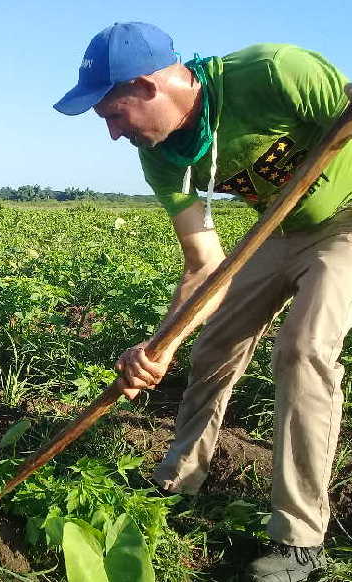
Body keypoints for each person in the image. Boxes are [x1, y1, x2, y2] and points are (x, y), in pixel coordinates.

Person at [53, 21, 352, 582]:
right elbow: (204, 262)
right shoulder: (162, 154)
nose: (113, 134)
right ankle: (180, 476)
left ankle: (299, 538)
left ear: (146, 86)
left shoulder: (273, 73)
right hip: (278, 229)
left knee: (303, 348)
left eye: (113, 114)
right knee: (213, 342)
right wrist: (159, 345)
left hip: (349, 223)